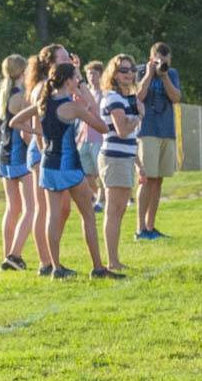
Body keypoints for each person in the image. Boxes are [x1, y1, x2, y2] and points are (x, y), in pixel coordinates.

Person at [12, 63, 123, 280]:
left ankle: (56, 268)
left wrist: (39, 132)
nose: (79, 82)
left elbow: (16, 122)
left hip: (48, 166)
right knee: (88, 216)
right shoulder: (72, 107)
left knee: (52, 216)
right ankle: (98, 268)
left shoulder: (42, 103)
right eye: (77, 78)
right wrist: (88, 105)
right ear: (68, 81)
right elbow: (103, 127)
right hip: (69, 167)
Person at [25, 44, 72, 275]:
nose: (69, 58)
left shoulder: (58, 84)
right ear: (50, 62)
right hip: (43, 153)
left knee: (63, 209)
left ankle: (52, 257)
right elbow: (36, 126)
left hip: (56, 152)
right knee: (43, 209)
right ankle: (46, 262)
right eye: (64, 56)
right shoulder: (43, 87)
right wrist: (46, 150)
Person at [98, 54, 146, 271]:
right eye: (123, 70)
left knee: (118, 211)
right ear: (114, 74)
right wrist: (139, 117)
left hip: (123, 158)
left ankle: (114, 260)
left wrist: (139, 164)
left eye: (131, 70)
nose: (129, 74)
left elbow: (130, 137)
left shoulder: (126, 98)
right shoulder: (113, 98)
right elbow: (123, 131)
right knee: (114, 211)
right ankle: (112, 261)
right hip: (114, 159)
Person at [135, 41, 182, 239]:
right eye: (158, 59)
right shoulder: (141, 72)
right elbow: (139, 96)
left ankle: (151, 226)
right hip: (148, 131)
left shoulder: (171, 74)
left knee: (158, 180)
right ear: (151, 59)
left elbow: (176, 98)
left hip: (166, 132)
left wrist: (164, 77)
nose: (162, 63)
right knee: (147, 179)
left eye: (165, 60)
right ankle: (140, 229)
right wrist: (149, 74)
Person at [0, 54, 34, 271]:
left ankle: (6, 255)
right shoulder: (21, 96)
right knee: (31, 209)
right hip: (20, 157)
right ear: (22, 71)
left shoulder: (1, 95)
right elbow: (25, 131)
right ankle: (15, 255)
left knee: (12, 208)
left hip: (4, 155)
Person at [78, 60, 106, 212]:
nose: (91, 77)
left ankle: (101, 201)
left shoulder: (105, 92)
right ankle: (98, 197)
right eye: (89, 74)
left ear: (101, 75)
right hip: (85, 138)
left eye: (94, 74)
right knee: (87, 173)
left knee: (100, 172)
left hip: (99, 138)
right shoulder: (86, 91)